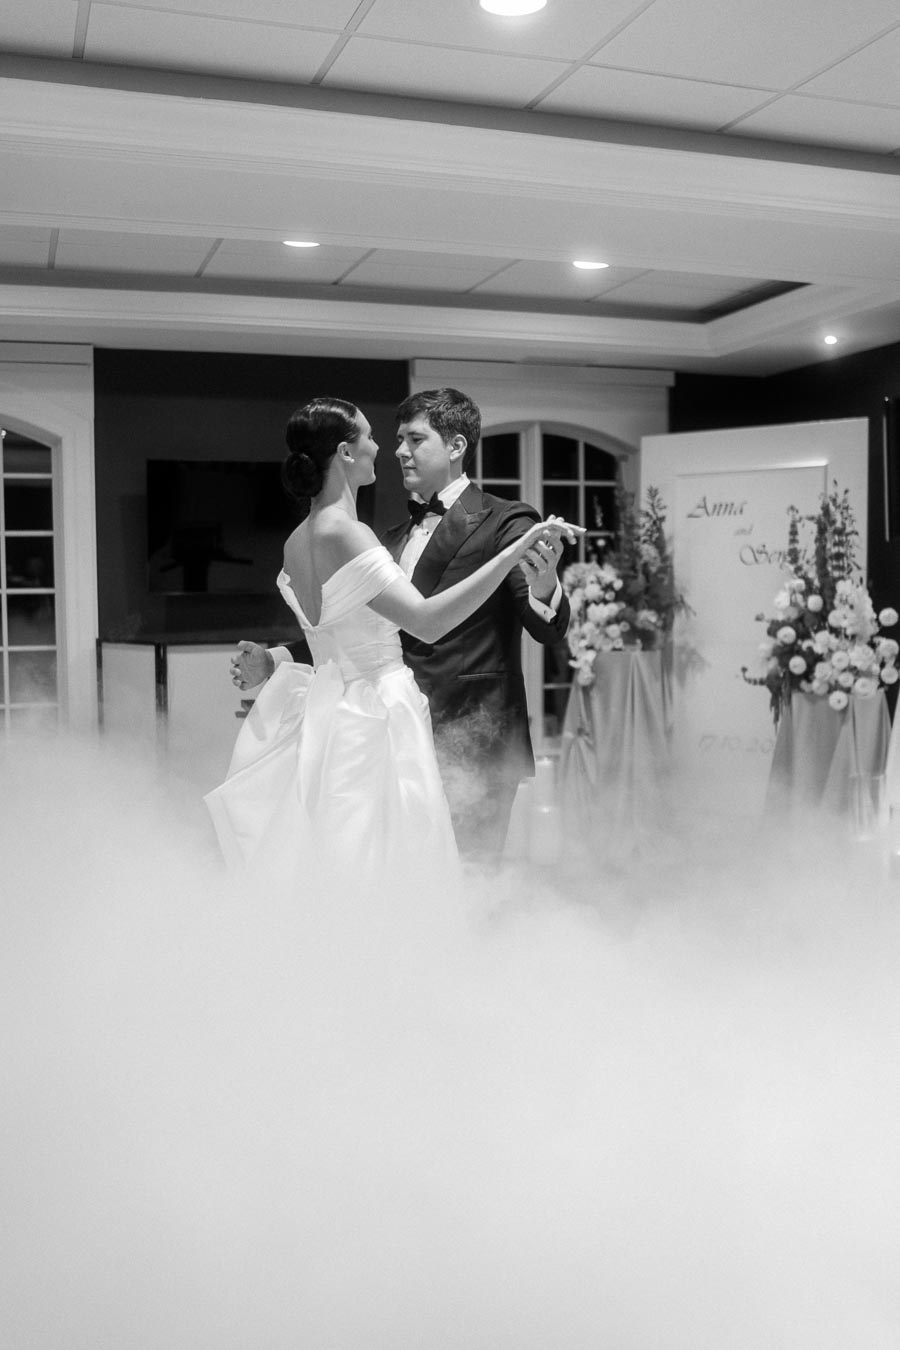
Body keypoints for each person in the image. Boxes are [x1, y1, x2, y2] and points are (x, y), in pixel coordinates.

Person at [207, 396, 580, 882]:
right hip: (386, 727)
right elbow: (379, 629)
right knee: (398, 877)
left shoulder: (506, 521)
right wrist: (280, 656)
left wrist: (545, 582)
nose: (397, 450)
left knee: (468, 884)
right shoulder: (381, 535)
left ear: (456, 446)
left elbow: (546, 627)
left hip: (470, 735)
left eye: (415, 439)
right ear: (343, 452)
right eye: (393, 438)